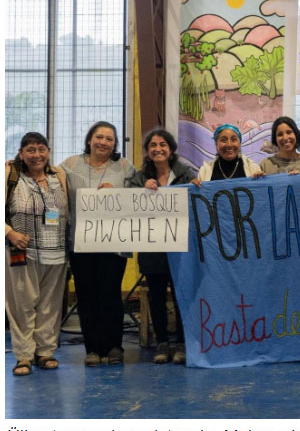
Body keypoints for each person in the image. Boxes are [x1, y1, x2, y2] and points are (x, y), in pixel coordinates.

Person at [61, 121, 136, 366]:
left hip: (113, 243)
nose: (103, 142)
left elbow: (138, 197)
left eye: (109, 139)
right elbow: (48, 178)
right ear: (89, 139)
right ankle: (92, 349)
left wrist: (117, 192)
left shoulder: (124, 166)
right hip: (80, 243)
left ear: (115, 144)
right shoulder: (70, 165)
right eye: (99, 137)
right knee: (86, 295)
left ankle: (114, 347)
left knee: (111, 294)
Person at [128, 128, 195, 364]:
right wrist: (141, 190)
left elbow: (196, 197)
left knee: (181, 296)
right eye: (153, 145)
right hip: (152, 247)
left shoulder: (185, 173)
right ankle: (162, 342)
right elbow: (128, 201)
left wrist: (196, 186)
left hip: (181, 247)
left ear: (171, 149)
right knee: (156, 295)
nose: (158, 149)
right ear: (147, 151)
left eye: (163, 144)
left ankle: (182, 343)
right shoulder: (139, 177)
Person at [5, 133, 69, 376]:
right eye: (30, 150)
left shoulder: (59, 176)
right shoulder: (9, 175)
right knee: (22, 305)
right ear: (21, 154)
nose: (37, 155)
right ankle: (24, 356)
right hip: (22, 251)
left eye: (41, 149)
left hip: (56, 252)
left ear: (49, 152)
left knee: (50, 305)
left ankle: (45, 352)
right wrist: (10, 233)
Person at [191, 124, 264, 185]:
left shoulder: (253, 169)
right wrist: (193, 187)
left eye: (233, 139)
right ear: (216, 145)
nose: (229, 144)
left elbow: (260, 194)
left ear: (239, 144)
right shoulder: (205, 171)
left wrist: (261, 181)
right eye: (223, 140)